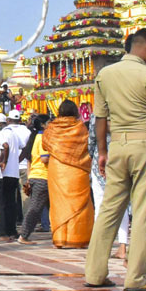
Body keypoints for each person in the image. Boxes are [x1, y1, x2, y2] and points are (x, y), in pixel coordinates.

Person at [84, 28, 146, 291]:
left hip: (117, 147)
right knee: (144, 212)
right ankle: (136, 277)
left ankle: (95, 272)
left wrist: (102, 151)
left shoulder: (105, 75)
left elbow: (100, 117)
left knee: (109, 212)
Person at [41, 99, 93, 248]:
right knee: (80, 205)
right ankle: (78, 238)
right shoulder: (81, 127)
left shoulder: (51, 128)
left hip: (57, 169)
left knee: (59, 204)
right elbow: (86, 146)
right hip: (77, 169)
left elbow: (45, 145)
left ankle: (60, 239)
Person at [18, 124, 49, 244]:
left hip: (36, 176)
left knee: (38, 207)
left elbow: (29, 162)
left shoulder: (34, 139)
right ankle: (24, 235)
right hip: (43, 176)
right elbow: (45, 159)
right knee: (35, 208)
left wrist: (29, 178)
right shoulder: (41, 138)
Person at [0, 109, 26, 239]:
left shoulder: (4, 133)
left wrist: (3, 162)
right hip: (14, 172)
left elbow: (5, 147)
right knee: (12, 202)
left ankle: (5, 229)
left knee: (5, 203)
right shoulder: (15, 134)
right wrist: (17, 160)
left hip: (6, 173)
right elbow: (23, 146)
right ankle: (12, 229)